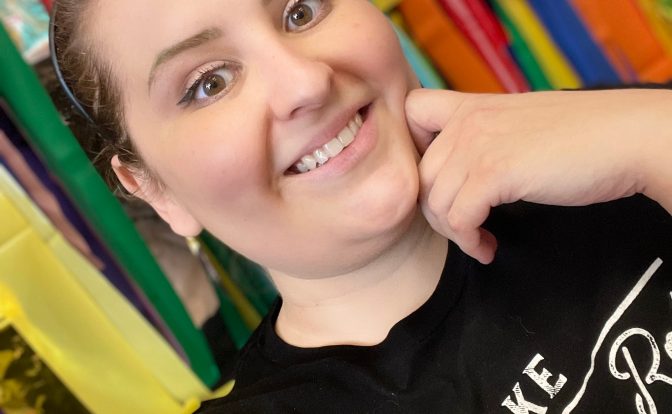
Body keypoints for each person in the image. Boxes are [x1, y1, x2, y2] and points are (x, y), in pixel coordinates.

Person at [50, 0, 672, 412]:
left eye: (300, 10)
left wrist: (654, 136)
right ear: (153, 189)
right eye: (209, 83)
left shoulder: (609, 142)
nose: (306, 81)